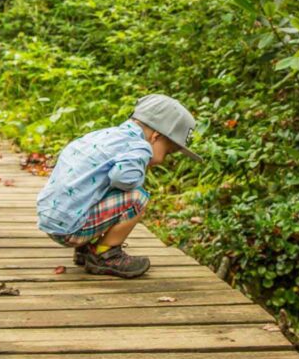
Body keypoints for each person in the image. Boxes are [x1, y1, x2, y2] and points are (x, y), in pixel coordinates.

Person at [36, 94, 200, 278]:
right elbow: (123, 178)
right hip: (70, 230)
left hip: (50, 220)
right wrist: (139, 172)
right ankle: (105, 255)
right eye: (169, 151)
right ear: (156, 136)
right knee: (137, 198)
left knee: (99, 184)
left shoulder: (104, 135)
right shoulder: (140, 146)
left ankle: (86, 249)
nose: (165, 159)